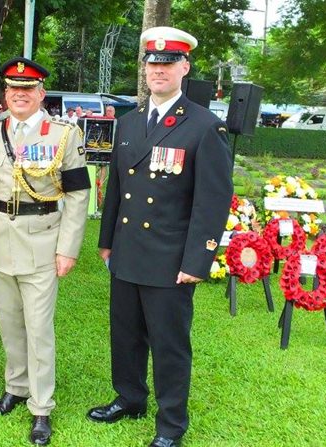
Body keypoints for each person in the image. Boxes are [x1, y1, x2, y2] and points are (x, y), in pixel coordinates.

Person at [87, 27, 233, 447]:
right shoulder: (129, 121)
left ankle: (170, 425)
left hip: (170, 259)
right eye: (152, 63)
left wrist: (196, 261)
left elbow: (212, 202)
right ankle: (130, 397)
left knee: (169, 346)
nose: (158, 70)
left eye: (168, 63)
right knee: (126, 333)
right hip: (129, 251)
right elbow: (116, 186)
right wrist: (107, 240)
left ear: (184, 68)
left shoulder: (205, 126)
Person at [0, 57, 90, 445]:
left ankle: (42, 406)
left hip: (43, 240)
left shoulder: (63, 133)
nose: (20, 96)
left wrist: (68, 249)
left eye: (27, 90)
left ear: (41, 94)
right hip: (0, 240)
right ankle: (16, 386)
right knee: (9, 322)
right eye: (13, 89)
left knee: (39, 329)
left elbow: (78, 194)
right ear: (5, 94)